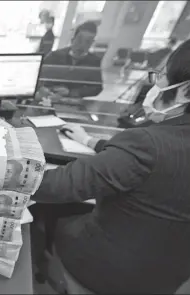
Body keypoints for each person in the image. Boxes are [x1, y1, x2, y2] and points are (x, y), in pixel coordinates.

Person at [30, 39, 190, 293]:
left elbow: (59, 185)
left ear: (185, 90)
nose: (154, 84)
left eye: (160, 75)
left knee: (40, 211)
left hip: (106, 269)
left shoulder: (147, 143)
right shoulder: (157, 145)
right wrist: (90, 141)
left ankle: (46, 270)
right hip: (165, 278)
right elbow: (145, 164)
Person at [39, 21, 103, 99]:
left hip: (71, 100)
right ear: (73, 39)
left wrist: (71, 92)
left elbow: (97, 88)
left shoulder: (94, 61)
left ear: (92, 43)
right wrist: (44, 89)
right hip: (48, 97)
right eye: (79, 40)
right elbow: (38, 76)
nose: (82, 46)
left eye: (88, 42)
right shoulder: (54, 55)